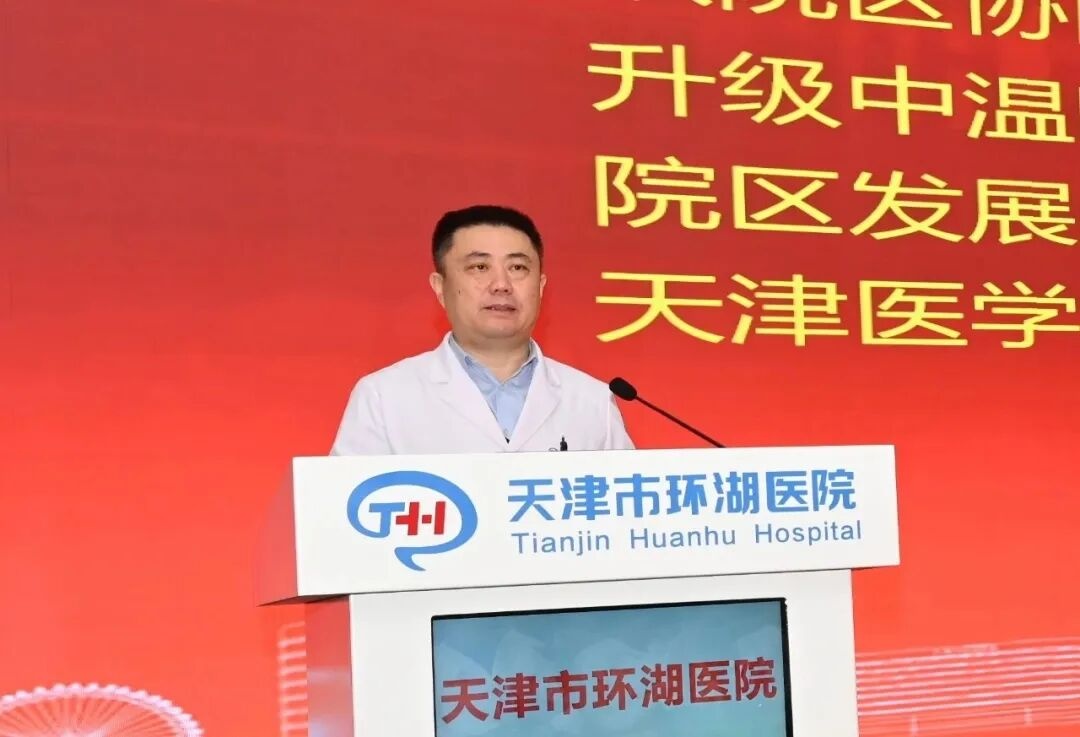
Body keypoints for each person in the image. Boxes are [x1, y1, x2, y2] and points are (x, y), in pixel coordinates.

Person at [330, 204, 635, 455]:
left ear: (541, 287)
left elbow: (630, 503)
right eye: (479, 267)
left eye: (518, 268)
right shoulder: (383, 396)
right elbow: (344, 505)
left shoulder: (593, 400)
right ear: (440, 287)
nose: (501, 285)